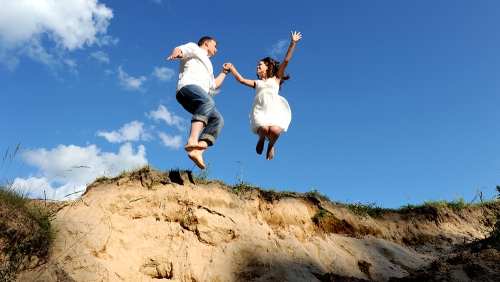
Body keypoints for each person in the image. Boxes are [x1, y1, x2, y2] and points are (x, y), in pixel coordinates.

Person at [226, 31, 302, 160]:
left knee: (275, 130)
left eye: (259, 65)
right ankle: (261, 139)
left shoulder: (276, 78)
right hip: (261, 109)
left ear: (267, 67)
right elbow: (242, 80)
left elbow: (286, 61)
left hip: (274, 109)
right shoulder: (257, 83)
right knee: (263, 129)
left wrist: (293, 43)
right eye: (257, 65)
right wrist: (232, 69)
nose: (257, 66)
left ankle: (271, 145)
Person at [167, 36, 231, 169]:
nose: (216, 50)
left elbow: (214, 84)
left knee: (218, 120)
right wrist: (176, 53)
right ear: (207, 43)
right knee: (208, 101)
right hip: (187, 88)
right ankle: (192, 139)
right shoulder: (195, 48)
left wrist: (224, 72)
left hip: (199, 98)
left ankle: (198, 151)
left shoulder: (208, 65)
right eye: (215, 46)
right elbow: (181, 49)